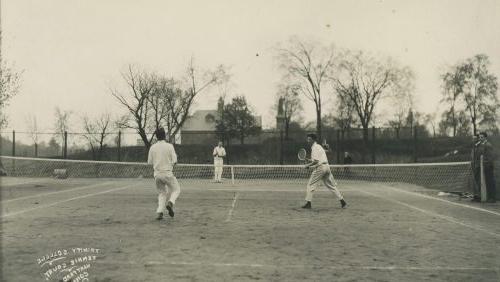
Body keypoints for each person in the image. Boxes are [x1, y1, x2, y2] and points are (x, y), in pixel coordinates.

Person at [302, 133, 347, 209]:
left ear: (313, 140)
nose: (308, 141)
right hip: (327, 167)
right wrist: (309, 160)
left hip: (321, 168)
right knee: (331, 186)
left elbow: (316, 161)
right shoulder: (319, 146)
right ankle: (342, 201)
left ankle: (308, 203)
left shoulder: (314, 147)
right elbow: (318, 159)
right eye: (307, 139)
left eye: (309, 139)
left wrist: (307, 166)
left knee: (310, 185)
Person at [147, 128, 181, 220]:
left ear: (156, 136)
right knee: (176, 189)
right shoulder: (169, 146)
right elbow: (175, 160)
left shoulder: (152, 147)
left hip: (157, 174)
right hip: (167, 173)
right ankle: (170, 202)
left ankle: (159, 212)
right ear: (164, 135)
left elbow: (149, 162)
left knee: (162, 193)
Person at [476, 132, 497, 203]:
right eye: (479, 137)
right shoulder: (481, 145)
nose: (480, 138)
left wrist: (486, 164)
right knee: (487, 182)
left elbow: (490, 157)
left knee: (490, 182)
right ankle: (489, 197)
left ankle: (492, 197)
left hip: (488, 166)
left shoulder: (488, 145)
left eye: (482, 137)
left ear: (485, 137)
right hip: (484, 166)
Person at [471, 134, 481, 202]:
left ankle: (479, 196)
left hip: (478, 166)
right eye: (473, 138)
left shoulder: (479, 147)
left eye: (475, 138)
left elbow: (479, 157)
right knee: (474, 181)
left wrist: (477, 165)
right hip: (474, 166)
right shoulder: (474, 146)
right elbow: (472, 157)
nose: (473, 140)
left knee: (478, 181)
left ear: (477, 139)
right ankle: (475, 196)